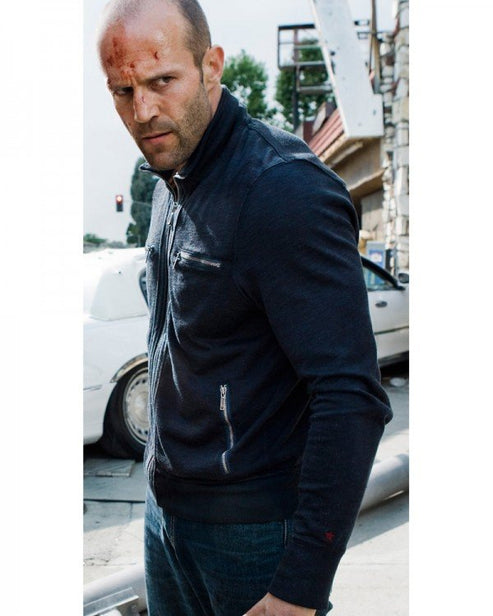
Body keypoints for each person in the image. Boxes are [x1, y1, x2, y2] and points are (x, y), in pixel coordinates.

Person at [97, 1, 393, 614]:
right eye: (123, 91)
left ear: (212, 65)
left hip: (254, 536)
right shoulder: (169, 178)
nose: (142, 110)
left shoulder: (283, 190)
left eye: (162, 80)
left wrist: (300, 585)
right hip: (165, 516)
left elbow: (351, 397)